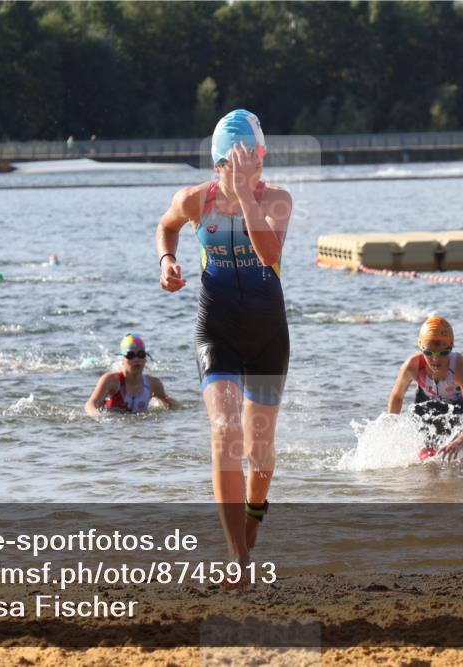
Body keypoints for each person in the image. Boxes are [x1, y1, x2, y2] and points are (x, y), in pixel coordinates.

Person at [157, 109, 292, 572]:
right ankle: (237, 555)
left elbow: (269, 253)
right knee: (224, 432)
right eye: (230, 166)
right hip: (216, 330)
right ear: (217, 165)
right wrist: (166, 261)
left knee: (259, 452)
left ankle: (253, 520)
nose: (241, 174)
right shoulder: (195, 200)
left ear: (260, 162)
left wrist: (247, 198)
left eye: (250, 164)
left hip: (268, 334)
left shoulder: (276, 200)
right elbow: (166, 226)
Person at [386, 316, 463, 461]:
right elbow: (397, 397)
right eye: (429, 353)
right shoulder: (412, 366)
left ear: (451, 348)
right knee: (427, 459)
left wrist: (458, 442)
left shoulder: (460, 369)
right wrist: (389, 430)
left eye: (442, 353)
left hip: (454, 410)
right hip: (425, 408)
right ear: (421, 348)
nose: (435, 359)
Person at [84, 334, 174, 414]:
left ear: (145, 359)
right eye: (130, 355)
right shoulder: (111, 381)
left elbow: (169, 404)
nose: (136, 359)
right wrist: (98, 416)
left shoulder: (153, 384)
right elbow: (91, 404)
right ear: (122, 360)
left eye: (141, 354)